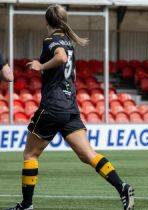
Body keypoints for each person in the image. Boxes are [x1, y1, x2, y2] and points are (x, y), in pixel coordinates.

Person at [7, 4, 134, 210]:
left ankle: (26, 205)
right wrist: (41, 64)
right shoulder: (68, 42)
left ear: (46, 21)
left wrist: (40, 66)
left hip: (53, 106)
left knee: (30, 155)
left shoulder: (51, 40)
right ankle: (122, 187)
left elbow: (60, 57)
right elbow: (63, 58)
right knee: (88, 155)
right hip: (70, 107)